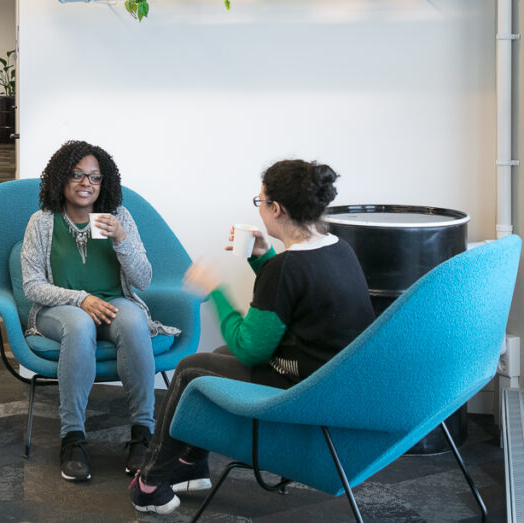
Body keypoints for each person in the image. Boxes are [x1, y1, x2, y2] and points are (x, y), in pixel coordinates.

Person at [129, 159, 374, 515]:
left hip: (304, 387)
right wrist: (263, 258)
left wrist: (215, 290)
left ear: (277, 209)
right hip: (332, 374)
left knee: (189, 369)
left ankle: (149, 484)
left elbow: (250, 349)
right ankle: (191, 464)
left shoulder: (286, 268)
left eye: (260, 202)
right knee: (217, 354)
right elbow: (293, 301)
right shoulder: (338, 248)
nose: (259, 210)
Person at [21, 140, 180, 482]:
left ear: (104, 183)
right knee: (79, 325)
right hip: (59, 309)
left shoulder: (118, 217)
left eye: (94, 177)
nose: (85, 184)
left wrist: (121, 238)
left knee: (135, 321)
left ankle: (142, 434)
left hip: (113, 301)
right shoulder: (43, 222)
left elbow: (143, 279)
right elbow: (32, 286)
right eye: (77, 175)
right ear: (61, 179)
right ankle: (73, 438)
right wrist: (80, 299)